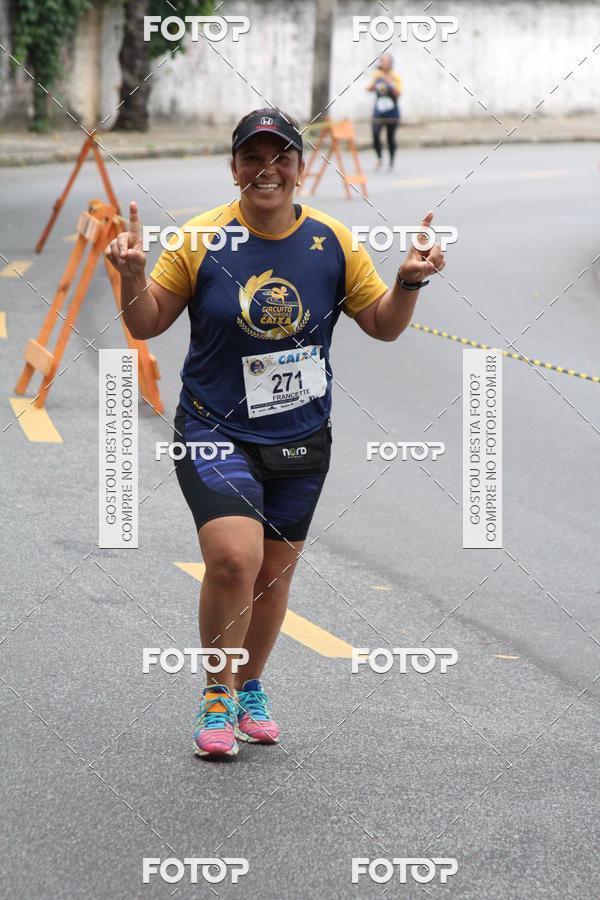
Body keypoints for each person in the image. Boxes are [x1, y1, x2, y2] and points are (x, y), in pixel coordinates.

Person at [105, 107, 445, 760]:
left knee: (272, 576)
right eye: (252, 158)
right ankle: (217, 693)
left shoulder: (332, 241)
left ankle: (250, 686)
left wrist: (407, 281)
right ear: (234, 168)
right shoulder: (201, 238)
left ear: (299, 167)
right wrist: (130, 276)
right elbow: (146, 323)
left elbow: (383, 325)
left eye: (280, 157)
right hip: (214, 426)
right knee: (235, 558)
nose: (267, 170)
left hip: (300, 435)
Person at [366, 53, 403, 170]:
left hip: (392, 111)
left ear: (391, 63)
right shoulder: (377, 75)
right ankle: (379, 158)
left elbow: (398, 93)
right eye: (382, 61)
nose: (384, 64)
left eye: (386, 61)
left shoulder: (395, 76)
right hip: (379, 111)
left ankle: (391, 161)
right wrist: (376, 82)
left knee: (390, 137)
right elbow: (369, 88)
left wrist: (389, 83)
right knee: (375, 134)